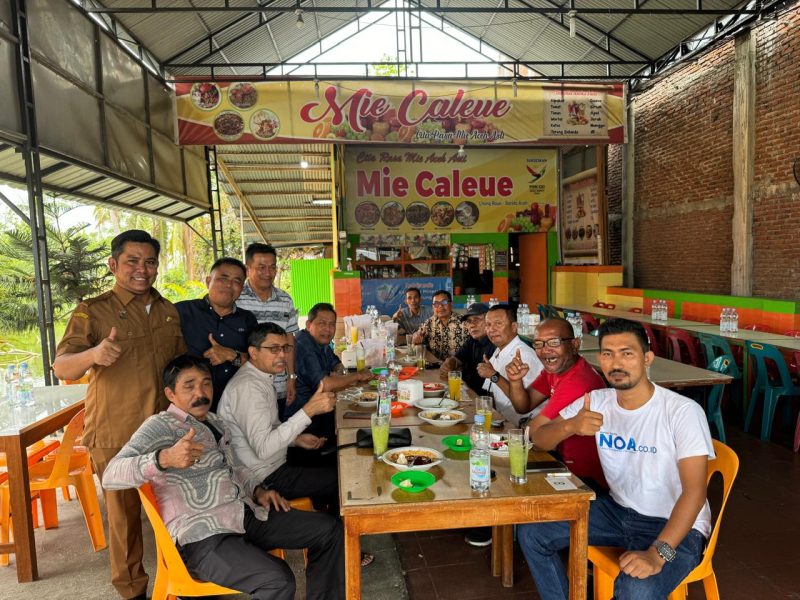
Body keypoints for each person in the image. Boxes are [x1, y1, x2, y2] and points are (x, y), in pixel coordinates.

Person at [102, 355, 344, 600]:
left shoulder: (216, 422)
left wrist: (258, 490)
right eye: (189, 386)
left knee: (330, 530)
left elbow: (236, 467)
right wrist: (164, 458)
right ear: (170, 394)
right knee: (277, 580)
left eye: (206, 383)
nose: (201, 392)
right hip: (203, 536)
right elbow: (110, 475)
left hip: (244, 515)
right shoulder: (160, 426)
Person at [519, 318, 715, 600]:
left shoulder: (682, 411)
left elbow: (695, 494)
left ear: (647, 358)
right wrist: (569, 426)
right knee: (533, 534)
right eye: (608, 354)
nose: (617, 363)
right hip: (619, 513)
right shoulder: (597, 400)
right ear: (600, 359)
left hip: (676, 527)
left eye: (627, 353)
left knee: (636, 588)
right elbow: (539, 438)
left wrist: (657, 555)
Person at [53, 229, 186, 600]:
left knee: (176, 510)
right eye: (132, 261)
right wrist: (93, 355)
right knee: (125, 519)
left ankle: (180, 582)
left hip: (165, 432)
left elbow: (178, 368)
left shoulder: (166, 310)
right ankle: (133, 592)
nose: (142, 269)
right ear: (114, 265)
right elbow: (62, 366)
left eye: (150, 261)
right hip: (116, 433)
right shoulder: (92, 311)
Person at [506, 317, 607, 489]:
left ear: (575, 345)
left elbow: (533, 433)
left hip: (583, 478)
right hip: (557, 459)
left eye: (554, 342)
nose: (545, 351)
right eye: (538, 344)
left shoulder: (578, 382)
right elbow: (523, 405)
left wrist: (509, 437)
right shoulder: (556, 369)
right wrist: (515, 382)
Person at [175, 257, 258, 410]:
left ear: (241, 288)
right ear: (208, 281)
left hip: (237, 405)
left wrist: (232, 355)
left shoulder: (247, 320)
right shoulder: (182, 312)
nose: (229, 285)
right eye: (223, 278)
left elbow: (259, 363)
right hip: (192, 407)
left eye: (237, 281)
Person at [286, 303, 372, 438]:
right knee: (362, 426)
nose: (328, 329)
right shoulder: (304, 345)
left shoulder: (321, 342)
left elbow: (337, 364)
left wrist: (340, 376)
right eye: (322, 323)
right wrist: (357, 376)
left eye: (332, 324)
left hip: (322, 409)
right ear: (309, 325)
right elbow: (325, 385)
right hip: (306, 420)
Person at [236, 243, 298, 417]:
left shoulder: (285, 299)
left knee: (277, 430)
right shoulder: (237, 298)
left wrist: (291, 377)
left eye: (272, 268)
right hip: (248, 385)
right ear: (248, 269)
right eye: (261, 268)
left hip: (278, 384)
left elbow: (290, 340)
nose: (267, 273)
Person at [476, 304, 543, 426]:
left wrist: (494, 376)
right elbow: (492, 393)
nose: (491, 329)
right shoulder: (499, 350)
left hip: (523, 426)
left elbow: (523, 404)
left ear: (514, 327)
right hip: (501, 420)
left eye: (498, 323)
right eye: (488, 325)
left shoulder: (524, 356)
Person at [438, 302, 495, 394]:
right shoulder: (472, 340)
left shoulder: (495, 344)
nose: (472, 325)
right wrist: (450, 363)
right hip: (467, 392)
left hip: (484, 399)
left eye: (476, 320)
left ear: (488, 321)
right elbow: (458, 358)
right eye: (468, 321)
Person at [411, 289, 467, 361]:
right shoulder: (429, 323)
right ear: (433, 307)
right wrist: (416, 339)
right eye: (436, 304)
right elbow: (417, 343)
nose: (440, 306)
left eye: (444, 302)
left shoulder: (464, 322)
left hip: (457, 369)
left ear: (451, 304)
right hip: (434, 368)